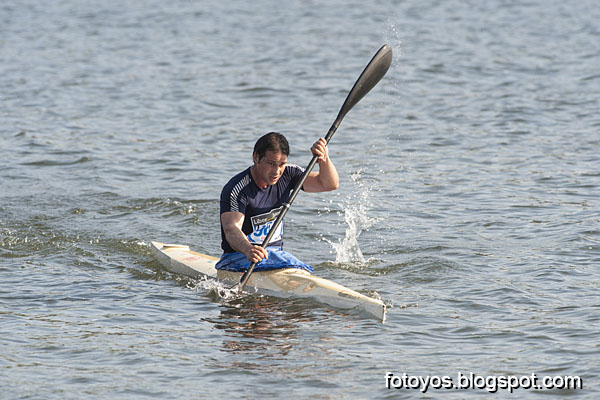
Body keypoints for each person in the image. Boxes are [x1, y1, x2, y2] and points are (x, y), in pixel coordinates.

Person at [216, 132, 339, 274]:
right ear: (256, 157)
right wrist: (248, 249)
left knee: (287, 261)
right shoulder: (237, 189)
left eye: (281, 164)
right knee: (291, 262)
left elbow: (329, 184)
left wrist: (324, 160)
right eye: (271, 164)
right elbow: (231, 229)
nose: (276, 171)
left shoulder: (289, 174)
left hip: (276, 257)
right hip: (238, 258)